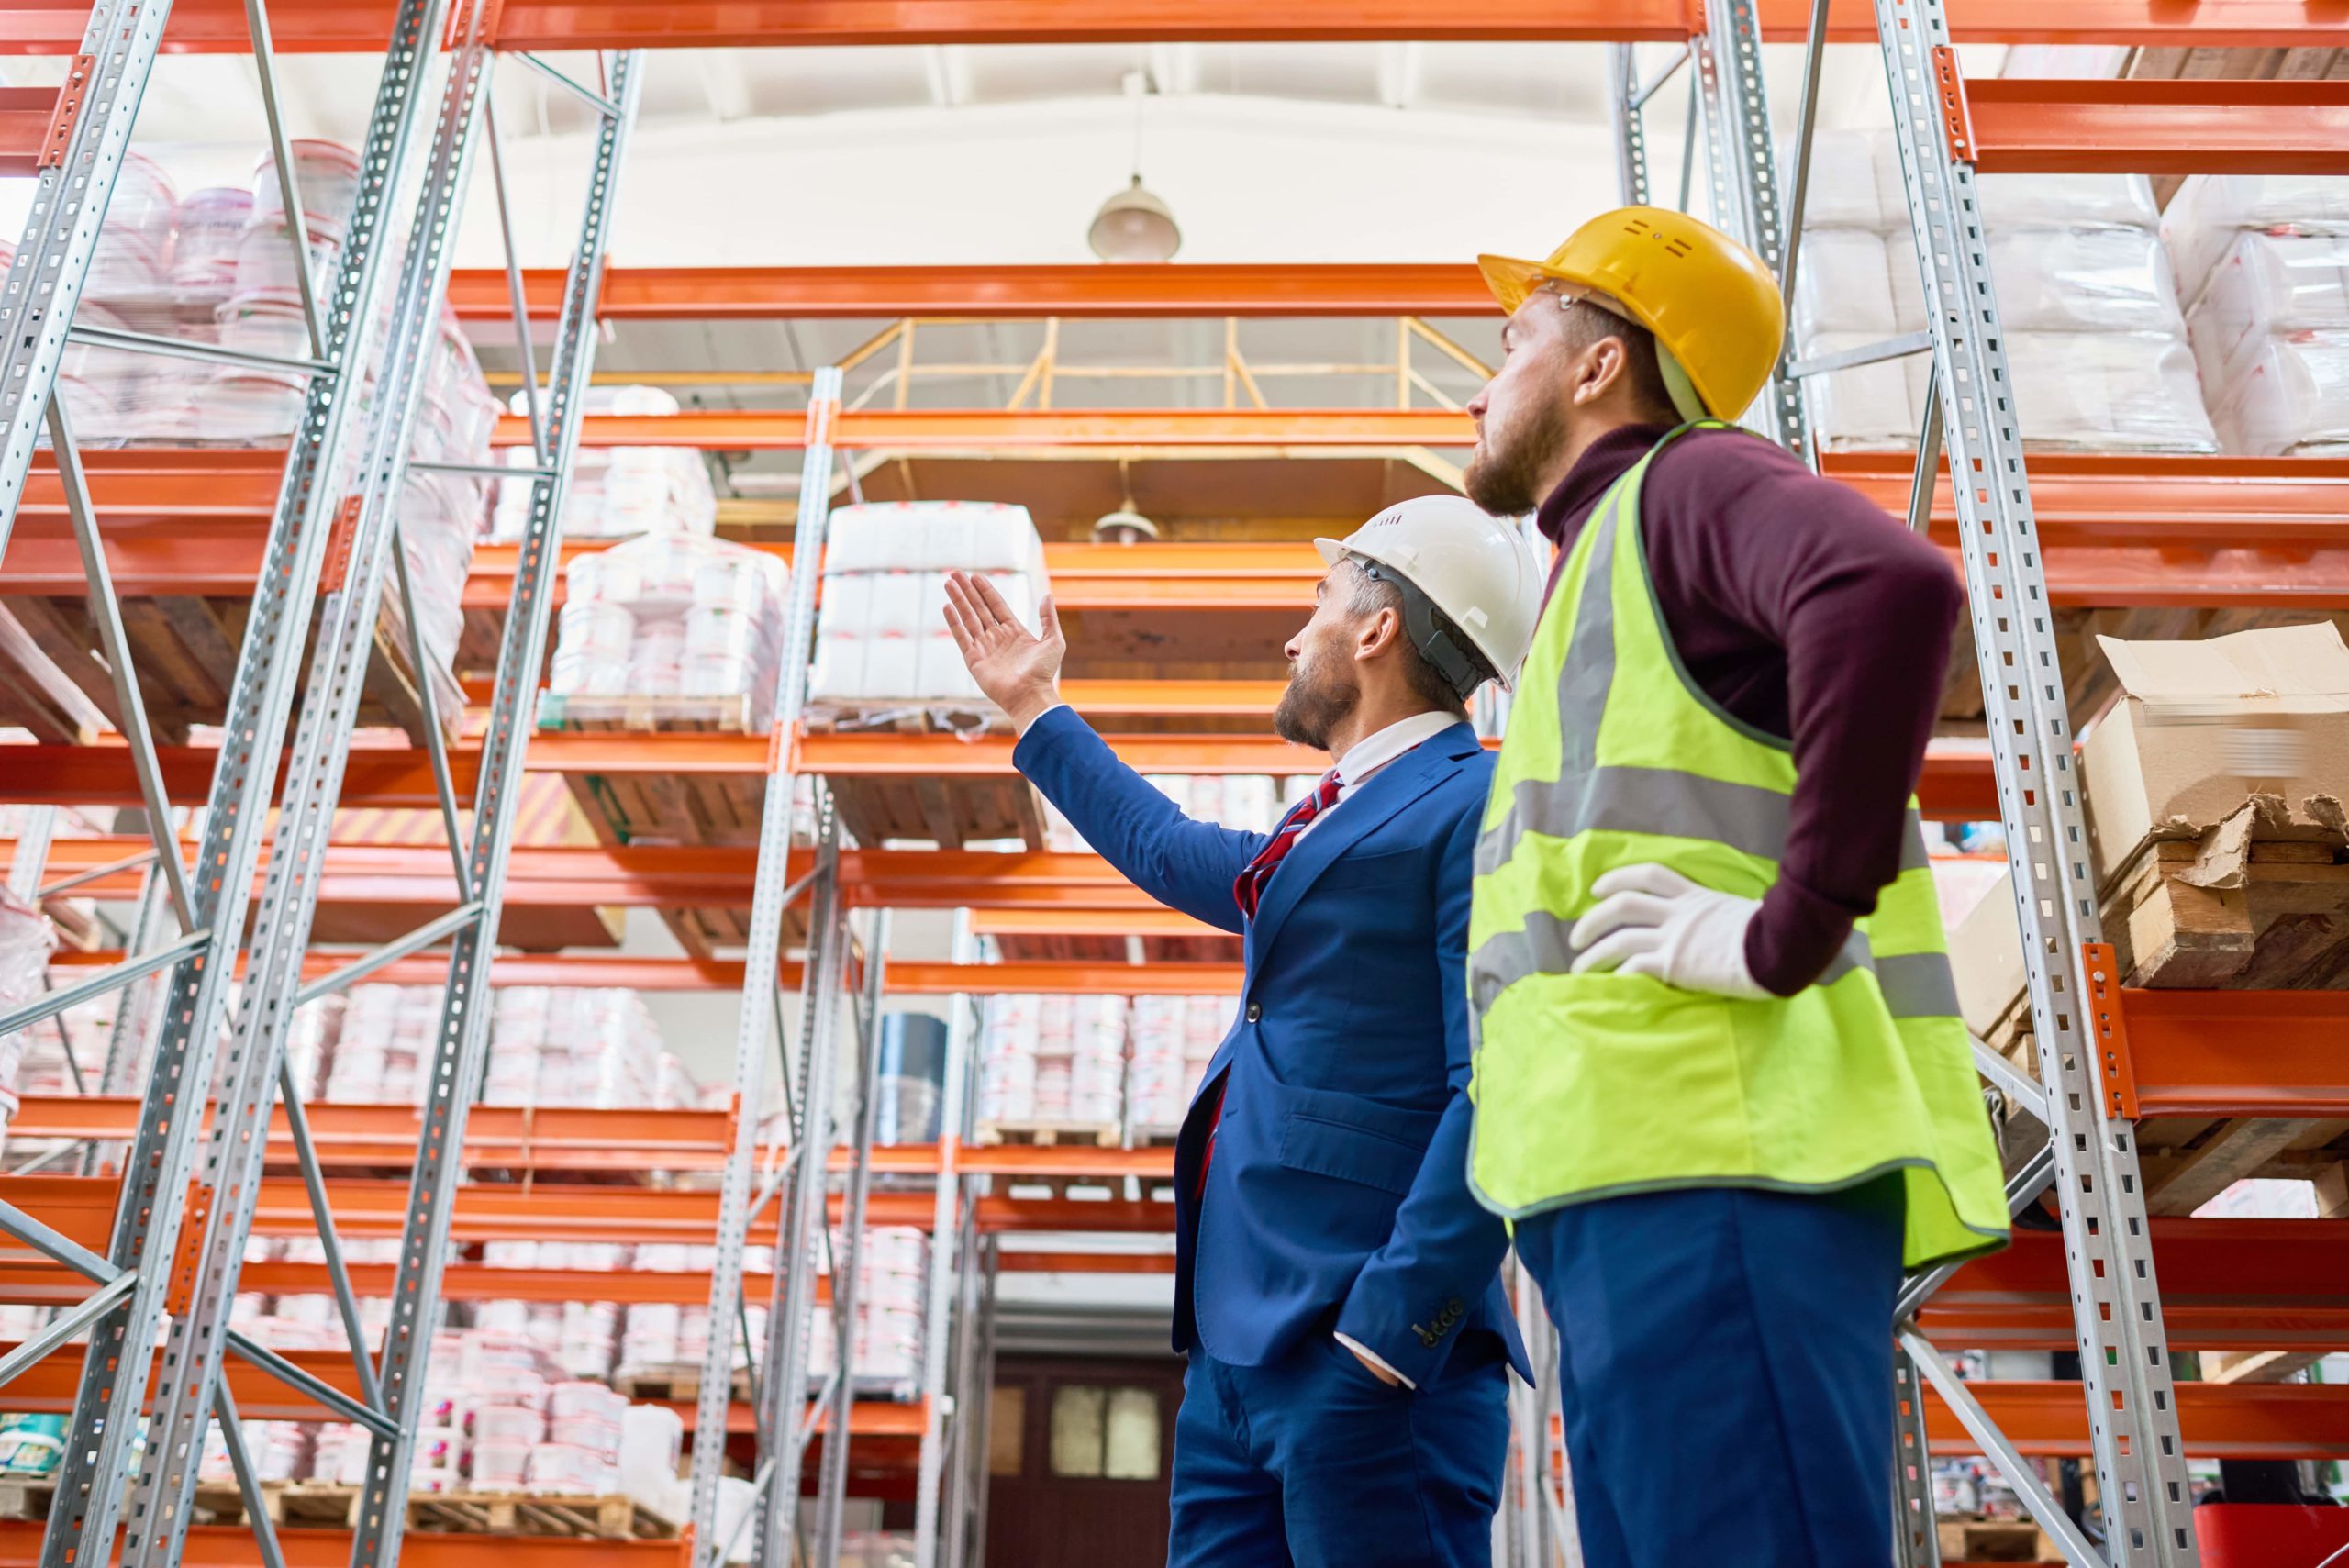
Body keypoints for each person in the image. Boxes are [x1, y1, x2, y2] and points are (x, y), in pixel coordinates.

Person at [1459, 206, 2010, 1566]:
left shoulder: (1685, 488)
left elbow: (1889, 582)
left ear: (1600, 367)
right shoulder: (1595, 570)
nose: (1486, 377)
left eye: (1516, 337)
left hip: (1724, 1168)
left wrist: (1781, 934)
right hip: (1629, 1184)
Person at [941, 495, 1543, 1568]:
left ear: (1376, 629)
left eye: (1317, 601)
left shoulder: (1478, 799)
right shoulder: (1332, 819)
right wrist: (1036, 710)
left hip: (1363, 1360)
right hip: (1237, 1359)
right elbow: (1173, 847)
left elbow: (1505, 1079)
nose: (1290, 634)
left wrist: (1388, 1334)